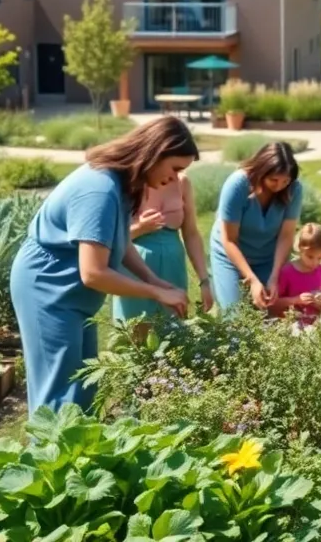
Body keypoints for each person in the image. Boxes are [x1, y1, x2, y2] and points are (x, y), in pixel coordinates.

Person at [11, 118, 196, 414]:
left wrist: (155, 280)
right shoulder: (100, 189)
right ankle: (42, 459)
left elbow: (119, 244)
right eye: (174, 169)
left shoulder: (122, 183)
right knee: (58, 395)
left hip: (70, 293)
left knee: (83, 386)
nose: (175, 180)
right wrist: (155, 293)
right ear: (154, 153)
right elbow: (93, 272)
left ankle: (76, 458)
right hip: (46, 286)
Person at [113, 166, 211, 340]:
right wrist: (140, 228)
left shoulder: (182, 182)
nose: (175, 173)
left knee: (174, 332)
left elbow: (191, 233)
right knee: (136, 333)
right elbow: (111, 237)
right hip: (135, 267)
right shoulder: (128, 181)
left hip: (173, 267)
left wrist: (204, 281)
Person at [210, 142, 304, 312]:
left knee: (271, 311)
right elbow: (229, 240)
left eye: (285, 180)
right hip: (230, 255)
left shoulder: (294, 189)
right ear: (261, 171)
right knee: (234, 316)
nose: (279, 186)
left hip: (267, 256)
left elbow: (286, 236)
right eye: (273, 180)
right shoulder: (238, 185)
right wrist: (252, 279)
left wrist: (275, 276)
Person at [268, 223, 321, 325]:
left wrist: (319, 303)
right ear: (300, 249)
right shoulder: (287, 271)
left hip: (316, 327)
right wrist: (296, 300)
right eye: (310, 257)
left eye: (320, 258)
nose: (315, 262)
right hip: (290, 328)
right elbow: (273, 304)